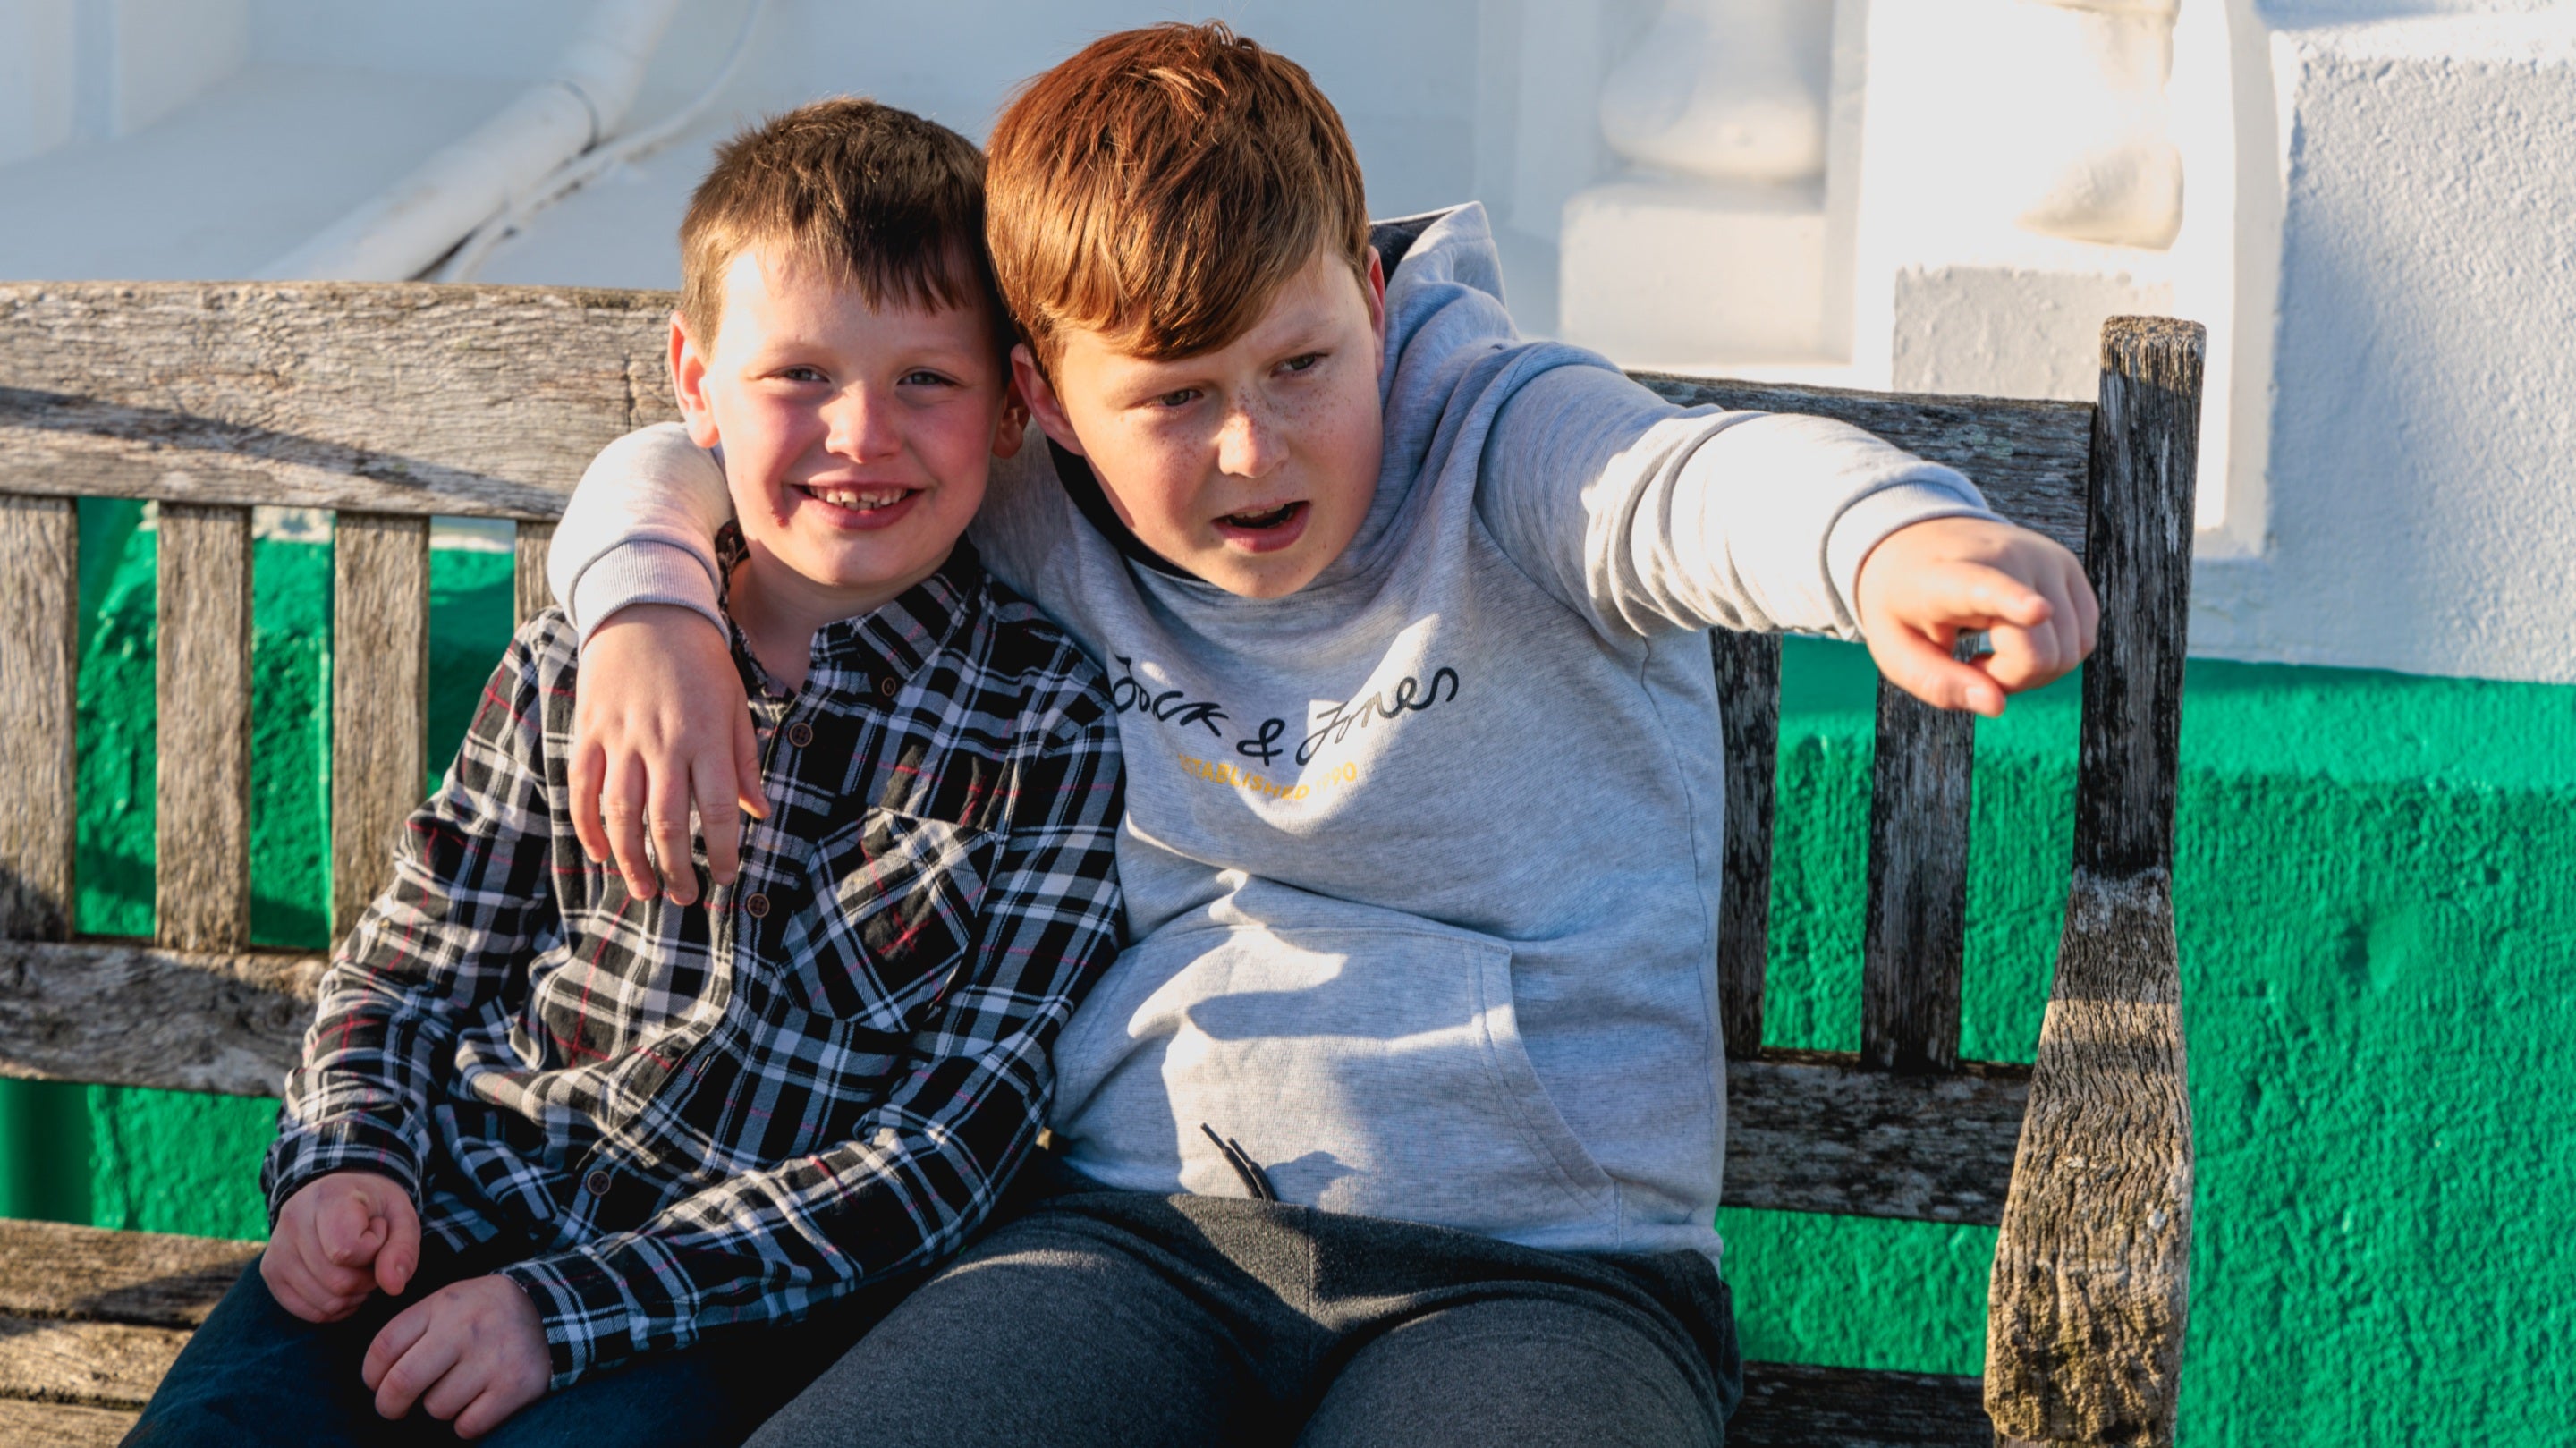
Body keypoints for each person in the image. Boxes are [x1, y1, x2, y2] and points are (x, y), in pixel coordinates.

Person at [548, 25, 2098, 1448]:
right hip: (1130, 1239)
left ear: (1369, 293)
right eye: (1175, 398)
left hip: (1542, 1278)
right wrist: (651, 610)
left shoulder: (1496, 441)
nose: (1251, 445)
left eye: (1300, 365)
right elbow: (711, 464)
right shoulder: (1028, 504)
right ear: (1050, 401)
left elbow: (1682, 483)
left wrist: (1886, 542)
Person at [121, 98, 1124, 1446]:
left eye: (925, 381)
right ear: (697, 381)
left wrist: (567, 1311)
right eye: (799, 378)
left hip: (722, 1304)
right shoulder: (581, 657)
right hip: (449, 1209)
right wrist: (343, 1164)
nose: (863, 435)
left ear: (1010, 403)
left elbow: (947, 1148)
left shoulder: (1041, 725)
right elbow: (409, 967)